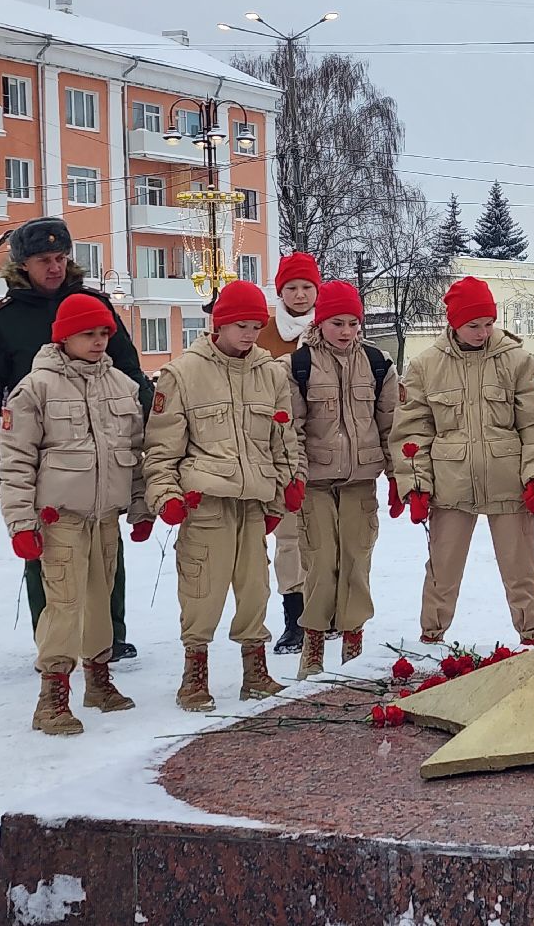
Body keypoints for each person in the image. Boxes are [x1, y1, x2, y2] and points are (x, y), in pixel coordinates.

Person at [0, 218, 149, 662]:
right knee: (44, 548)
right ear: (22, 265)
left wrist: (142, 429)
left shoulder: (93, 306)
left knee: (105, 550)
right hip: (44, 451)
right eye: (44, 260)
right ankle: (55, 643)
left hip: (103, 443)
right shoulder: (1, 321)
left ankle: (109, 638)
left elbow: (129, 370)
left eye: (61, 258)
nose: (54, 267)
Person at [143, 281, 304, 711]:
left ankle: (255, 670)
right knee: (201, 590)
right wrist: (165, 497)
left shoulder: (271, 373)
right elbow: (161, 449)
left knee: (255, 589)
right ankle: (194, 674)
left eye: (256, 325)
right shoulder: (183, 374)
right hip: (205, 502)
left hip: (253, 502)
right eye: (240, 326)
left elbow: (283, 441)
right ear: (219, 325)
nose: (250, 334)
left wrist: (284, 493)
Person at [0, 295, 154, 734]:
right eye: (89, 334)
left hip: (103, 517)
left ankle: (99, 680)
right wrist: (21, 523)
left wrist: (141, 508)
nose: (99, 341)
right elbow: (16, 462)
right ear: (63, 337)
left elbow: (137, 454)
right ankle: (52, 695)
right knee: (63, 606)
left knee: (102, 601)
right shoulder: (36, 388)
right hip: (58, 516)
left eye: (104, 333)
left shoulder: (122, 387)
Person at [390, 277, 534, 646]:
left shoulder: (518, 361)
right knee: (441, 571)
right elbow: (412, 435)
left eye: (487, 323)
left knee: (521, 570)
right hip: (451, 487)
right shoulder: (425, 367)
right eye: (472, 325)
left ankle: (530, 638)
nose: (482, 332)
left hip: (508, 484)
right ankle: (430, 638)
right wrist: (416, 485)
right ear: (453, 323)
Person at [285, 281, 398, 678]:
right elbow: (292, 429)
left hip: (360, 481)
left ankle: (354, 646)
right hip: (314, 482)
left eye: (353, 322)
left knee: (356, 562)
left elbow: (391, 427)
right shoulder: (298, 366)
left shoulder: (378, 363)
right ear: (321, 322)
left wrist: (400, 477)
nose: (346, 331)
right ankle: (313, 646)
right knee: (319, 563)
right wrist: (294, 476)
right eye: (337, 323)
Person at [261, 251, 322, 655]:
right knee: (288, 537)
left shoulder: (333, 326)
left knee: (324, 537)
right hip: (278, 447)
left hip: (324, 447)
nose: (299, 295)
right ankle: (294, 617)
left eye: (306, 287)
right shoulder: (264, 332)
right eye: (291, 288)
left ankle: (326, 612)